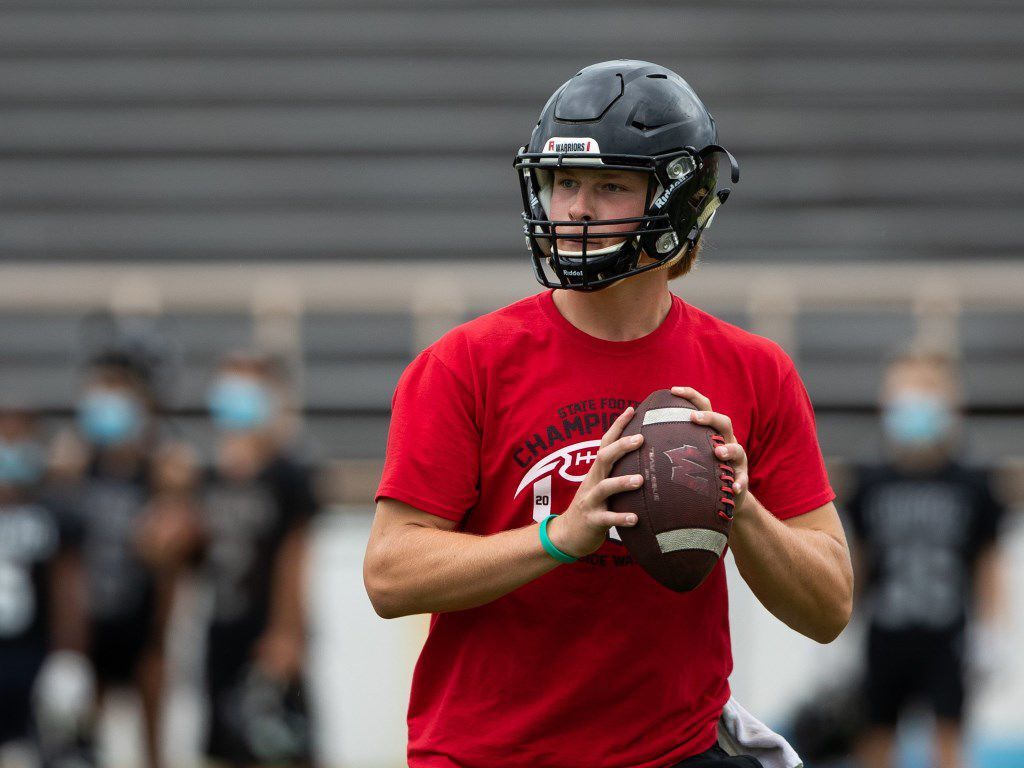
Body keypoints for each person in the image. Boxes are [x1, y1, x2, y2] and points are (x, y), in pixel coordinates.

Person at [364, 59, 853, 768]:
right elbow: (389, 575)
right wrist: (561, 536)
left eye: (609, 185)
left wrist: (738, 506)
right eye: (564, 183)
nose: (575, 209)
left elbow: (828, 606)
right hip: (490, 755)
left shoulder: (754, 370)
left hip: (673, 752)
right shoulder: (463, 364)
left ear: (681, 200)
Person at [847, 350, 1006, 768]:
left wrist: (993, 636)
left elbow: (987, 564)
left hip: (947, 635)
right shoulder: (871, 480)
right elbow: (858, 559)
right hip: (884, 632)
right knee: (875, 739)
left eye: (926, 392)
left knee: (949, 742)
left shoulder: (972, 482)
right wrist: (841, 623)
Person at [182, 352, 317, 768]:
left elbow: (294, 557)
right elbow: (193, 558)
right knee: (227, 746)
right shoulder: (204, 475)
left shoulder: (287, 475)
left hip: (269, 628)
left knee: (284, 743)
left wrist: (287, 633)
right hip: (222, 626)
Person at [58, 349, 174, 768]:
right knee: (83, 738)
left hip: (140, 617)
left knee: (152, 738)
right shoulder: (76, 472)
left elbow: (171, 566)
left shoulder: (156, 471)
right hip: (88, 621)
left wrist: (162, 633)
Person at [0, 406, 92, 768]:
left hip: (33, 655)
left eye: (18, 439)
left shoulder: (53, 511)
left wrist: (70, 657)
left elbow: (68, 590)